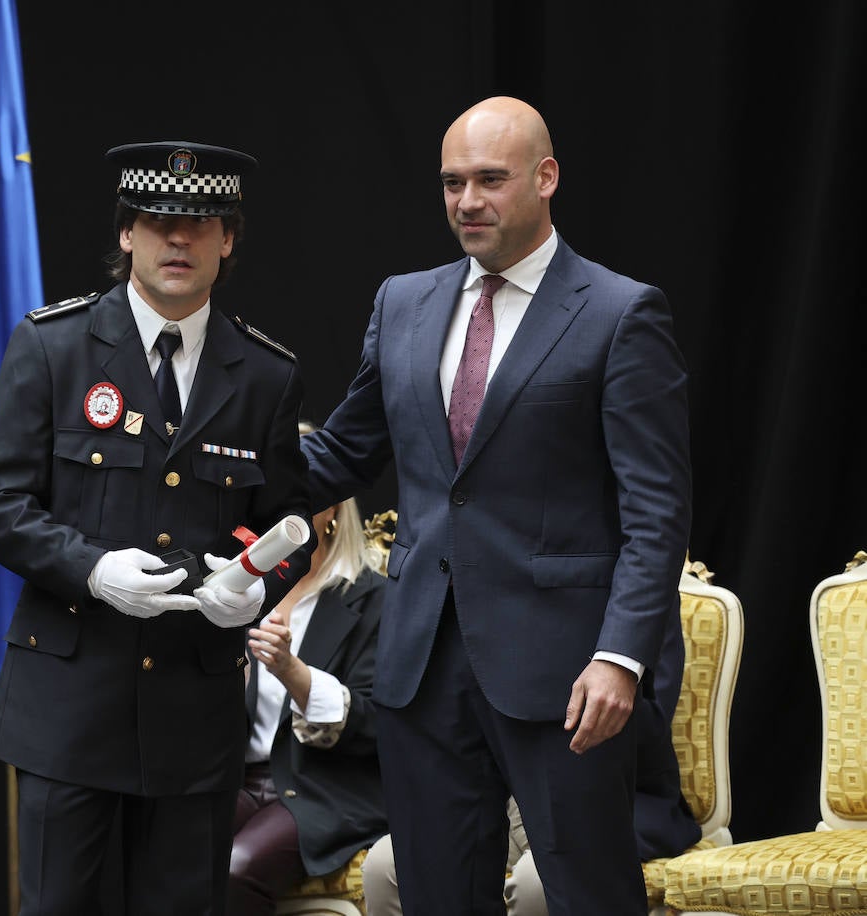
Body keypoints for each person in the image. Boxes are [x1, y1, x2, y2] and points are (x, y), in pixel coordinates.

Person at [299, 95, 692, 915]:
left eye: (489, 179)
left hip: (567, 675)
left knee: (585, 896)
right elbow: (340, 455)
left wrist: (622, 656)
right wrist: (214, 464)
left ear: (546, 178)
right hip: (420, 667)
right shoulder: (402, 302)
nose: (466, 201)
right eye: (451, 183)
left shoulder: (621, 313)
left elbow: (657, 514)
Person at [0, 140, 310, 916]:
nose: (179, 241)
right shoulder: (53, 347)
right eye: (158, 222)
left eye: (202, 224)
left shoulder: (265, 375)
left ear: (229, 239)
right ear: (127, 234)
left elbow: (290, 527)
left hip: (195, 713)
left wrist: (250, 588)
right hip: (69, 702)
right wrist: (91, 568)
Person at [361, 598, 701, 915]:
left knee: (534, 883)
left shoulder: (635, 597)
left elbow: (651, 725)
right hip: (488, 797)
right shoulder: (464, 598)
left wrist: (548, 690)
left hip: (598, 795)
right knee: (385, 867)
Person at [228, 422, 388, 915]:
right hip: (236, 778)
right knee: (158, 842)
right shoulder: (238, 590)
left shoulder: (373, 598)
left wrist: (291, 670)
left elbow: (383, 723)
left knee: (235, 865)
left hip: (323, 790)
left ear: (332, 508)